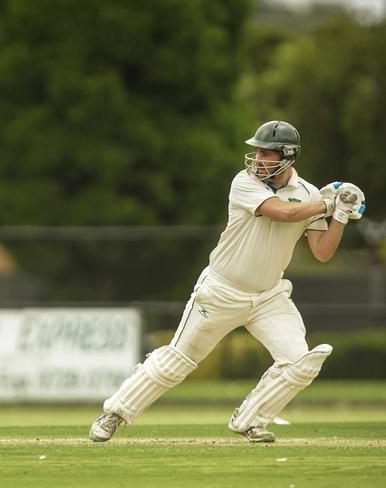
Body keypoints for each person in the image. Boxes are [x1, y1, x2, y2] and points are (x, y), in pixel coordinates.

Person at [89, 120, 365, 443]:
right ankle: (114, 413)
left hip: (268, 296)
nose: (258, 159)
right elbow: (283, 213)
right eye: (257, 151)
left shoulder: (308, 195)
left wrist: (341, 215)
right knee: (177, 362)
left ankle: (251, 420)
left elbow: (322, 251)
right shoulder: (244, 183)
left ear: (288, 156)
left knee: (300, 362)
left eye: (266, 153)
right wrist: (327, 203)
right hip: (221, 290)